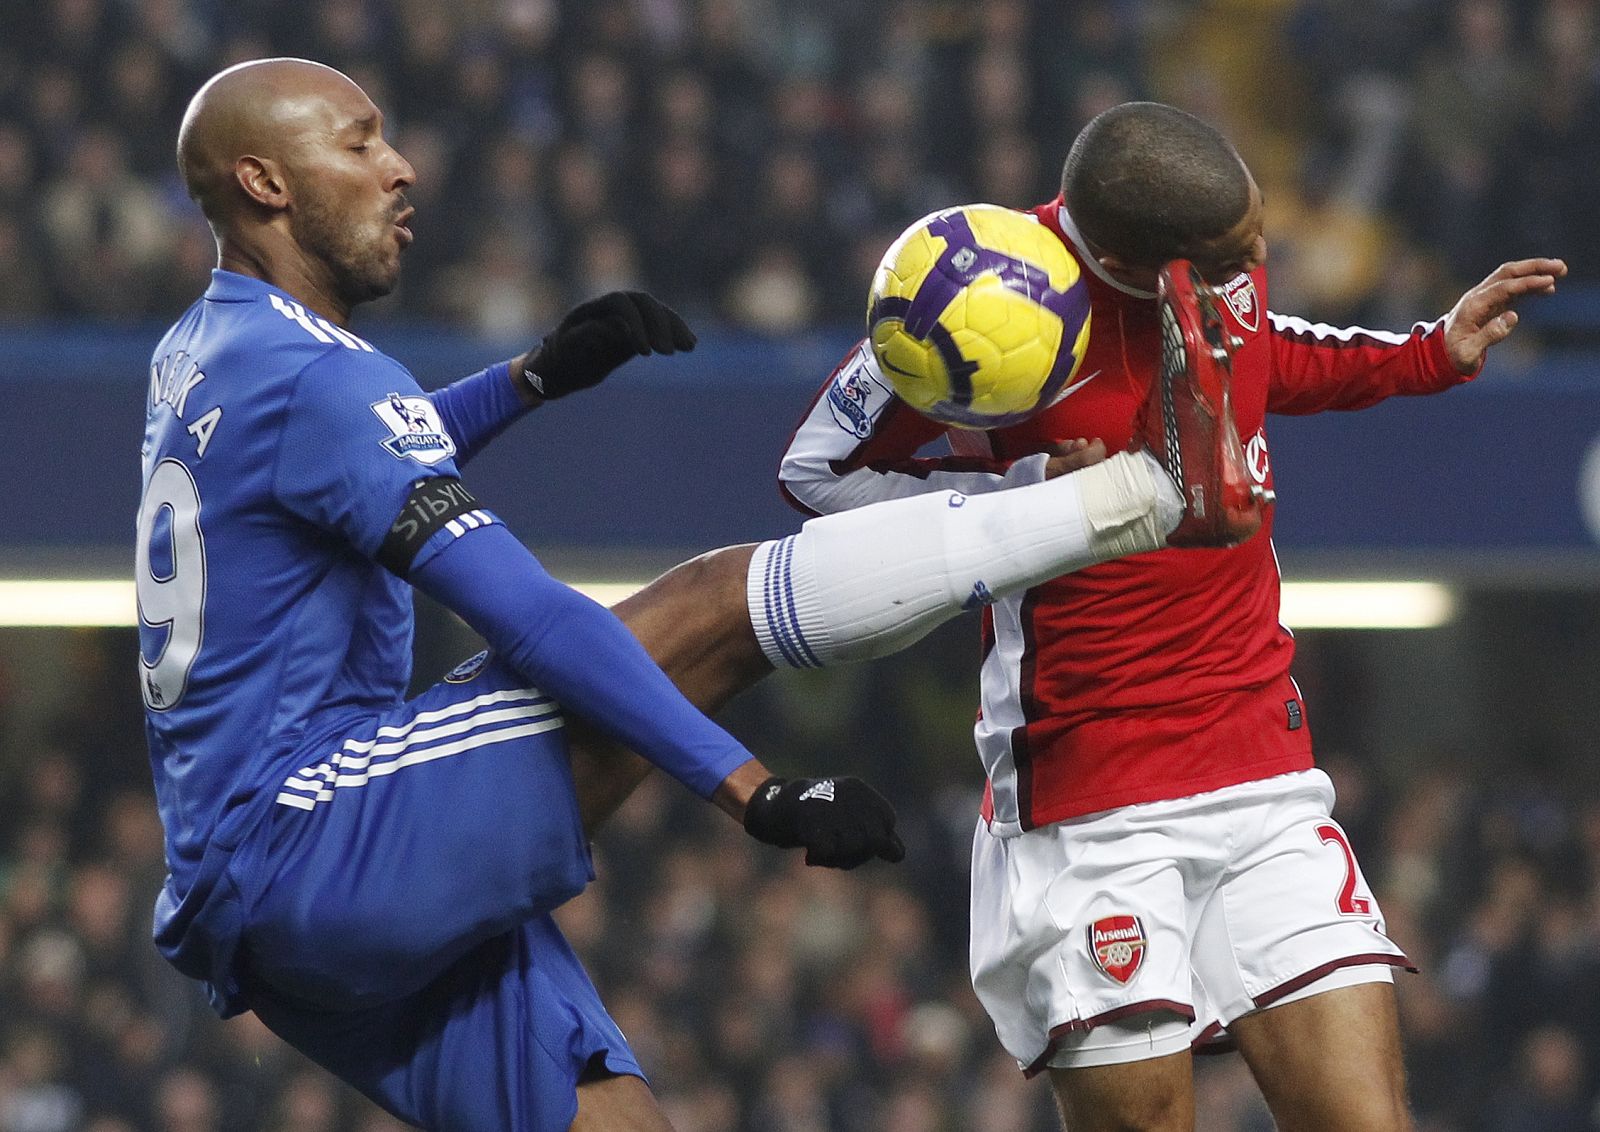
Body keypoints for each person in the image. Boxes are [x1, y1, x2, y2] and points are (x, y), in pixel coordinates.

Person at [141, 61, 1248, 1132]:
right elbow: (530, 616)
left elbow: (345, 462)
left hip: (264, 892)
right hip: (313, 835)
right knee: (714, 600)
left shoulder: (205, 353)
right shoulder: (321, 379)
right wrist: (754, 793)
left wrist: (529, 379)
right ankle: (1138, 498)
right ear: (264, 183)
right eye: (360, 140)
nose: (401, 167)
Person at [778, 101, 1566, 1132]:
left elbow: (1263, 352)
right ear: (1128, 257)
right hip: (1090, 798)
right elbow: (815, 471)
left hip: (1258, 768)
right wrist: (1028, 495)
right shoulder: (980, 296)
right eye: (1231, 250)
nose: (1257, 256)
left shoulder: (1217, 252)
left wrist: (1424, 352)